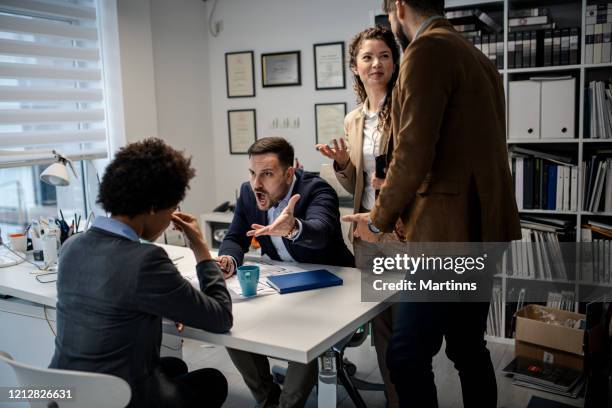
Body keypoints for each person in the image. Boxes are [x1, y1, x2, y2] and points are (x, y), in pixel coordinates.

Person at [343, 1, 521, 407]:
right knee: (467, 348)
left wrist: (378, 219)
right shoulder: (477, 57)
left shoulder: (427, 51)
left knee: (404, 356)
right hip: (482, 228)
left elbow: (413, 152)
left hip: (445, 236)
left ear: (399, 6)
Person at [49, 138, 233, 408]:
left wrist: (167, 304)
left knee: (174, 366)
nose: (171, 219)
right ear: (152, 206)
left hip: (66, 393)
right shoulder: (147, 260)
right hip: (117, 399)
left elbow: (116, 299)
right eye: (172, 209)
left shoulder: (72, 246)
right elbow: (221, 317)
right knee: (214, 380)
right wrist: (202, 250)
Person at [217, 136, 354, 408]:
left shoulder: (317, 190)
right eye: (253, 173)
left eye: (267, 174)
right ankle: (268, 399)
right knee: (230, 323)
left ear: (289, 172)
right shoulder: (248, 193)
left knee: (308, 334)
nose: (257, 183)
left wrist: (293, 228)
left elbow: (321, 232)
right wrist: (228, 260)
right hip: (283, 283)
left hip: (331, 286)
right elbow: (234, 238)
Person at [315, 26, 401, 407]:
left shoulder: (405, 107)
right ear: (355, 66)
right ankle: (395, 398)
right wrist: (342, 164)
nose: (376, 63)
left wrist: (392, 182)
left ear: (395, 62)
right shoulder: (353, 120)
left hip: (402, 231)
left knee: (409, 330)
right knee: (382, 326)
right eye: (367, 57)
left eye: (383, 55)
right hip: (366, 233)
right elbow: (354, 186)